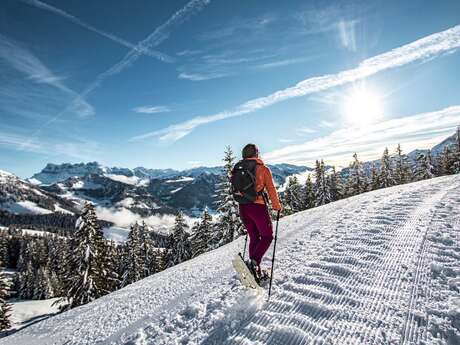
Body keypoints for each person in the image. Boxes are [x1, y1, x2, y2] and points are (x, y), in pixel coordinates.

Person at [236, 143, 282, 281]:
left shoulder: (238, 168)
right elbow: (271, 189)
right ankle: (254, 263)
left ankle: (254, 271)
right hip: (257, 208)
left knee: (254, 238)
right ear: (256, 154)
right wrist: (277, 206)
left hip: (243, 208)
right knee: (267, 236)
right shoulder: (262, 169)